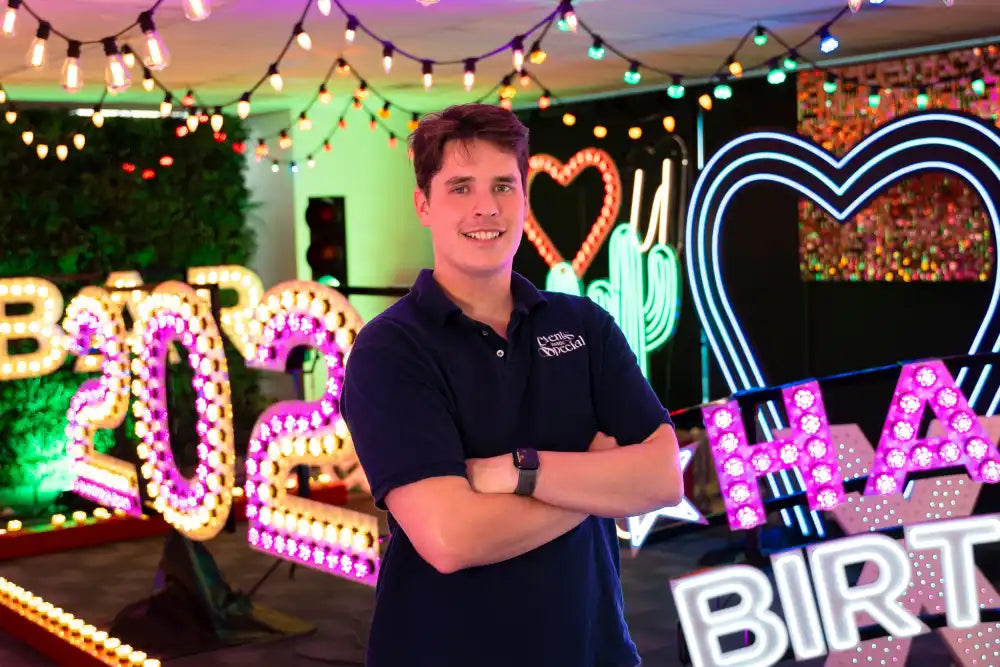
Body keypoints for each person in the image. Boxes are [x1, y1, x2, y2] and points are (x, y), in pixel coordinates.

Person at [339, 102, 683, 667]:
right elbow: (451, 539)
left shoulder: (584, 326)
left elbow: (664, 477)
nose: (486, 206)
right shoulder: (390, 349)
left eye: (504, 185)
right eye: (461, 187)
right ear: (423, 204)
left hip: (592, 651)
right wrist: (597, 483)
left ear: (524, 197)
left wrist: (519, 472)